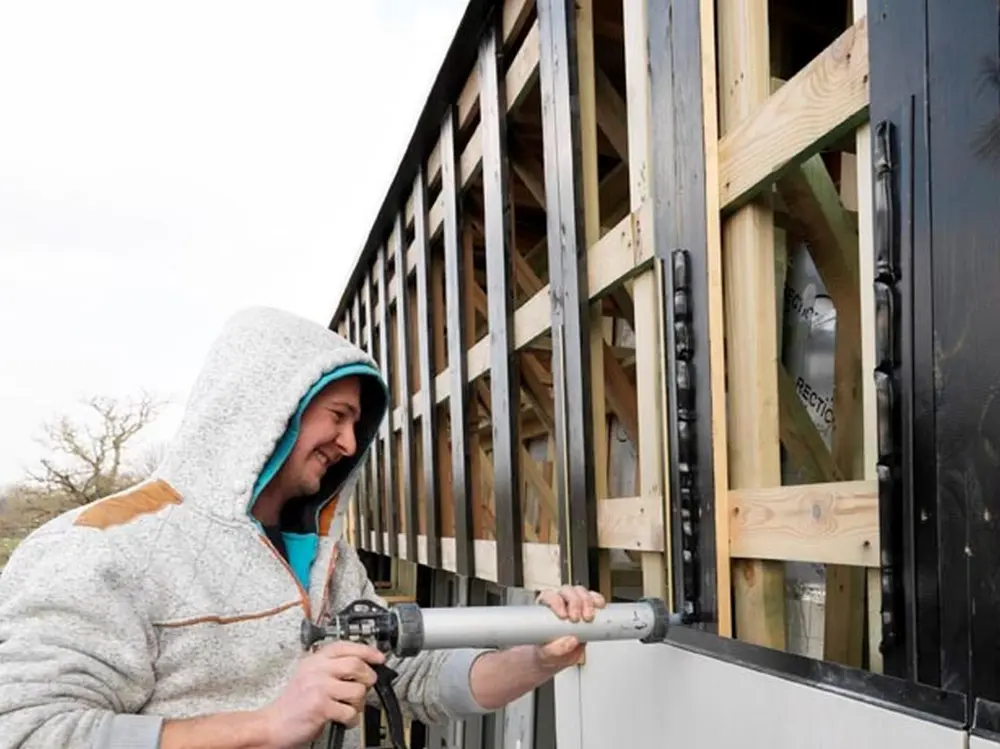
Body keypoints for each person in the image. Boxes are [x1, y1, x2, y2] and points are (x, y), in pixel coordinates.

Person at [0, 306, 606, 749]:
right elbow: (29, 732)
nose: (348, 444)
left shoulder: (324, 561)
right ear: (265, 412)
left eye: (355, 425)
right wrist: (267, 724)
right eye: (338, 416)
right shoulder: (100, 548)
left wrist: (537, 657)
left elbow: (414, 682)